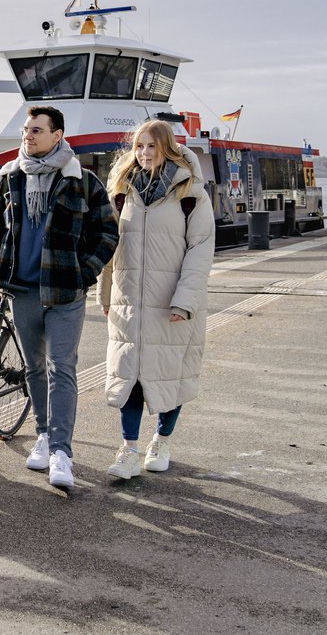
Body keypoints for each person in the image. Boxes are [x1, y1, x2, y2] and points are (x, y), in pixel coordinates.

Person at [0, 106, 118, 488]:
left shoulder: (83, 181)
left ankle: (62, 452)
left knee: (61, 368)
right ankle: (43, 436)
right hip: (21, 290)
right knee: (33, 369)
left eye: (36, 130)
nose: (28, 136)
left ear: (57, 135)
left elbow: (107, 233)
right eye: (26, 130)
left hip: (65, 291)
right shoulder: (7, 179)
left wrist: (85, 271)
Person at [98, 120, 215, 479]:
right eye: (139, 146)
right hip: (129, 300)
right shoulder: (121, 190)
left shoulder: (191, 192)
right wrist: (105, 295)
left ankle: (162, 440)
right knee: (128, 377)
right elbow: (109, 247)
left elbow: (200, 248)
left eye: (151, 146)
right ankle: (129, 449)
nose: (144, 153)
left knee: (170, 375)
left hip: (171, 302)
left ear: (167, 147)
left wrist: (186, 300)